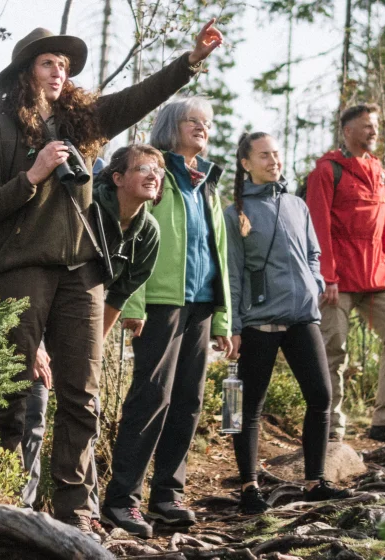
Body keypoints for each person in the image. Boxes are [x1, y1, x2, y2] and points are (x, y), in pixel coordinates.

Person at [0, 22, 223, 538]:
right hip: (22, 269)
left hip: (83, 273)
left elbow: (142, 95)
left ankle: (75, 507)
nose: (59, 71)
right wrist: (34, 174)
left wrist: (191, 60)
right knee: (14, 390)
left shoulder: (85, 124)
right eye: (47, 63)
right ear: (25, 73)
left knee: (81, 395)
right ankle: (6, 496)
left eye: (64, 64)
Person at [102, 97, 232, 538]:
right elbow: (138, 238)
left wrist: (223, 317)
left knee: (189, 401)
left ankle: (167, 494)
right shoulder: (157, 173)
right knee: (151, 397)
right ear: (171, 126)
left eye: (208, 123)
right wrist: (132, 304)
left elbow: (220, 252)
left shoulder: (207, 182)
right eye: (194, 121)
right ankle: (122, 499)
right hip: (158, 302)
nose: (203, 128)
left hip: (200, 304)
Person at [22, 145, 164, 539]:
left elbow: (117, 295)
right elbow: (36, 268)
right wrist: (37, 344)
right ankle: (21, 504)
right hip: (39, 307)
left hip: (81, 318)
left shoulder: (148, 232)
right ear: (117, 178)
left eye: (159, 171)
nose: (155, 176)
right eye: (144, 169)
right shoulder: (84, 208)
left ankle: (80, 513)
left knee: (85, 401)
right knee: (34, 401)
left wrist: (86, 353)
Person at [224, 132, 351, 515]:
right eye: (264, 155)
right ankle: (249, 488)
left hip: (301, 318)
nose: (273, 160)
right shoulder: (235, 212)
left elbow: (314, 253)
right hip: (258, 323)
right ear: (246, 164)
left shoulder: (297, 204)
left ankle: (315, 481)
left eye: (276, 154)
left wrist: (312, 286)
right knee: (247, 407)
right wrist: (232, 325)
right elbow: (231, 272)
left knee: (321, 396)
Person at [305, 103, 385, 443]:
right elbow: (317, 225)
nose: (374, 131)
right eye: (367, 126)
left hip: (380, 276)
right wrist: (327, 275)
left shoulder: (381, 173)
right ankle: (331, 425)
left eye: (375, 126)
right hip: (338, 279)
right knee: (333, 348)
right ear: (348, 130)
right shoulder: (327, 171)